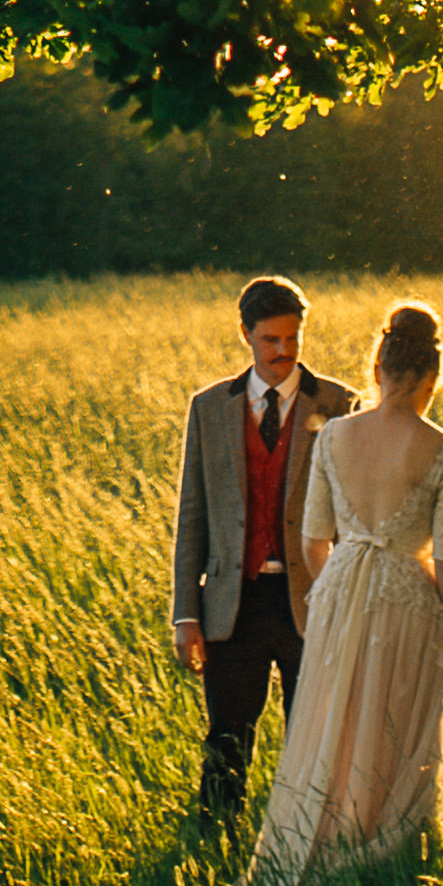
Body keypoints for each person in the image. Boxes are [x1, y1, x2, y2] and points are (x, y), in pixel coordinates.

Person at [246, 299, 443, 886]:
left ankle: (323, 836)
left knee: (335, 724)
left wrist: (345, 584)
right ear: (432, 376)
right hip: (408, 602)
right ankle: (381, 853)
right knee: (393, 729)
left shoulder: (335, 436)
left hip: (340, 593)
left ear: (377, 368)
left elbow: (314, 539)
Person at [171, 277, 356, 824]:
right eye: (271, 339)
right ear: (245, 334)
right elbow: (193, 515)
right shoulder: (209, 408)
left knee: (313, 740)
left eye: (293, 338)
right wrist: (186, 613)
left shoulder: (339, 404)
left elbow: (351, 516)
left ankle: (304, 846)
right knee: (227, 738)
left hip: (314, 599)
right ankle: (216, 849)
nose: (284, 351)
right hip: (234, 602)